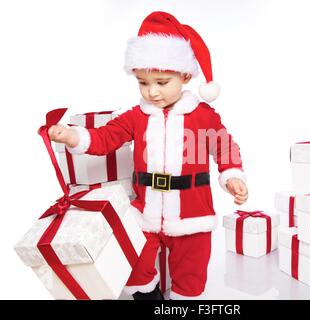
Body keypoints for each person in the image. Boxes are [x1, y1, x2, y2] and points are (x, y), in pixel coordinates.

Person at [47, 11, 248, 300]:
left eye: (162, 82)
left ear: (185, 75)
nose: (151, 92)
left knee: (190, 274)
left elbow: (225, 147)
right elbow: (106, 138)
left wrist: (232, 177)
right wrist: (72, 136)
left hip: (193, 215)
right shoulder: (136, 116)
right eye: (143, 82)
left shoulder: (203, 116)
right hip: (145, 213)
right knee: (137, 266)